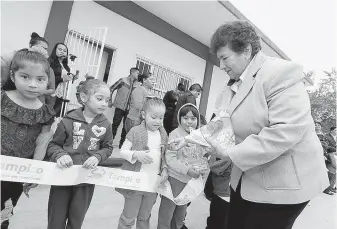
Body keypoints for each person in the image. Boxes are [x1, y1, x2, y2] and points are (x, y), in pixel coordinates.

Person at [202, 20, 329, 229]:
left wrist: (230, 154)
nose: (221, 65)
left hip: (283, 184)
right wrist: (199, 143)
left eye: (225, 58)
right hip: (246, 175)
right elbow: (220, 123)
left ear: (246, 50)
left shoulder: (280, 73)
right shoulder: (231, 87)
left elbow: (285, 131)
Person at [46, 78, 113, 229]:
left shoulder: (106, 125)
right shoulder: (67, 120)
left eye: (107, 100)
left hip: (86, 180)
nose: (104, 103)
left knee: (77, 219)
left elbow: (108, 148)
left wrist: (97, 156)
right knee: (56, 219)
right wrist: (60, 155)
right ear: (84, 98)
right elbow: (53, 145)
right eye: (99, 98)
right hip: (62, 177)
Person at [1, 49, 55, 229]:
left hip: (16, 174)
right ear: (12, 75)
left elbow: (42, 141)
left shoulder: (45, 112)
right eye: (25, 77)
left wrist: (35, 171)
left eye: (40, 79)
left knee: (4, 212)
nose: (33, 84)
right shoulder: (1, 98)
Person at [116, 97, 168, 229]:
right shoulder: (135, 131)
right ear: (144, 115)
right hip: (135, 183)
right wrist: (135, 154)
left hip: (152, 184)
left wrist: (165, 169)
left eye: (161, 118)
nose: (158, 121)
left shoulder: (163, 134)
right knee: (128, 217)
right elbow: (123, 151)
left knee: (144, 217)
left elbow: (164, 156)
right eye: (154, 117)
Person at [157, 103, 208, 229]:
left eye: (193, 118)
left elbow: (201, 157)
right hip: (174, 180)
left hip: (189, 183)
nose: (189, 122)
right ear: (179, 119)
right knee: (167, 212)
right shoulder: (175, 134)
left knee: (180, 213)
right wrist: (187, 170)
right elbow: (170, 159)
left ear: (198, 120)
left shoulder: (198, 136)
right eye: (185, 118)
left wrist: (202, 167)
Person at [1, 32, 55, 105]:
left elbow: (51, 89)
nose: (44, 51)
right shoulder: (13, 57)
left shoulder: (45, 66)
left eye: (46, 49)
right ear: (30, 46)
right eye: (42, 48)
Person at [109, 67, 140, 148]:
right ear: (132, 73)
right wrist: (109, 101)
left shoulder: (137, 85)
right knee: (115, 125)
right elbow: (111, 88)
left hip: (130, 110)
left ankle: (121, 146)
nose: (138, 75)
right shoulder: (123, 80)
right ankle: (108, 144)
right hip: (119, 107)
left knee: (125, 128)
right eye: (137, 73)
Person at [48, 43, 74, 117]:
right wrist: (62, 79)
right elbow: (47, 78)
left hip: (61, 94)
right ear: (55, 50)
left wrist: (72, 77)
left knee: (55, 116)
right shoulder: (50, 61)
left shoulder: (66, 66)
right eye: (60, 49)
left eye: (65, 51)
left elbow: (65, 78)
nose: (62, 52)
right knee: (47, 114)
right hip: (51, 93)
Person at [324, 126, 337, 194]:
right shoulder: (326, 136)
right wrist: (334, 150)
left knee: (335, 171)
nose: (336, 131)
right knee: (331, 171)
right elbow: (325, 145)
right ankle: (327, 189)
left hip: (335, 154)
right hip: (329, 155)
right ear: (331, 131)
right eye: (335, 130)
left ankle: (331, 187)